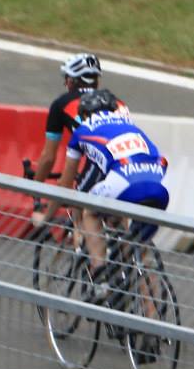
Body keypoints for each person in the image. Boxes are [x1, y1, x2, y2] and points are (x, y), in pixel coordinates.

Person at [54, 88, 170, 274]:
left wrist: (52, 206)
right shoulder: (131, 125)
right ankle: (146, 290)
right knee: (137, 247)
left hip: (125, 180)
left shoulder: (82, 130)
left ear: (84, 114)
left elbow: (66, 183)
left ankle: (100, 274)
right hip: (160, 186)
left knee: (90, 211)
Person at [30, 52, 111, 196]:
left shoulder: (61, 103)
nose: (65, 84)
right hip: (131, 161)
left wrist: (33, 189)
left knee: (78, 207)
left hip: (101, 162)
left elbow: (48, 158)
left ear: (72, 81)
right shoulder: (115, 101)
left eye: (66, 79)